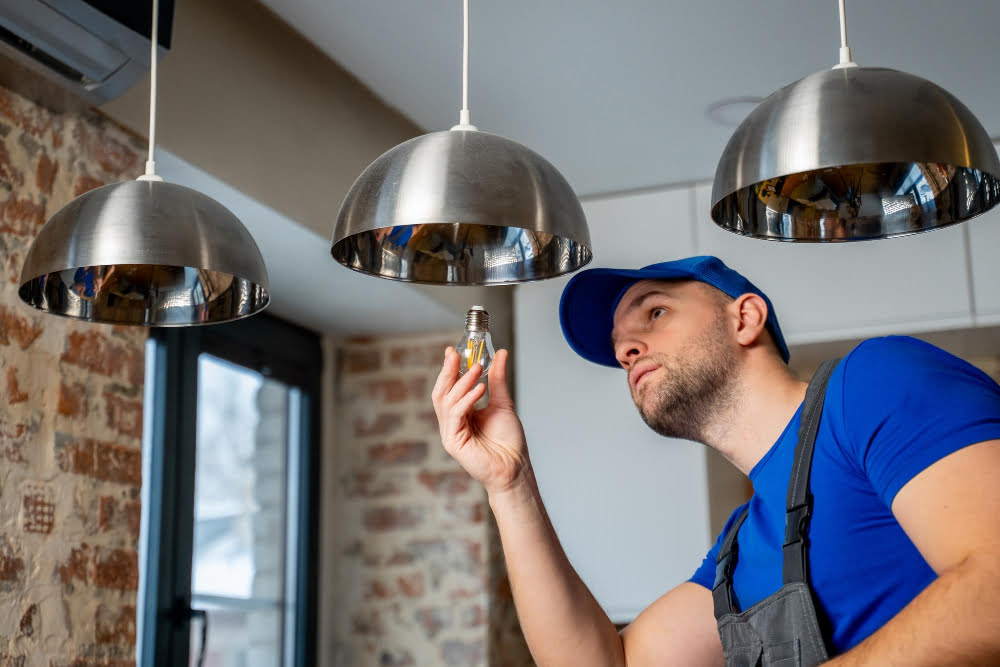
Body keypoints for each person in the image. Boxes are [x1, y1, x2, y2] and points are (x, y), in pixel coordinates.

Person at [431, 255, 1000, 666]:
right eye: (619, 347)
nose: (626, 350)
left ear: (745, 317)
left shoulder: (873, 382)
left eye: (653, 313)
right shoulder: (738, 551)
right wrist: (509, 483)